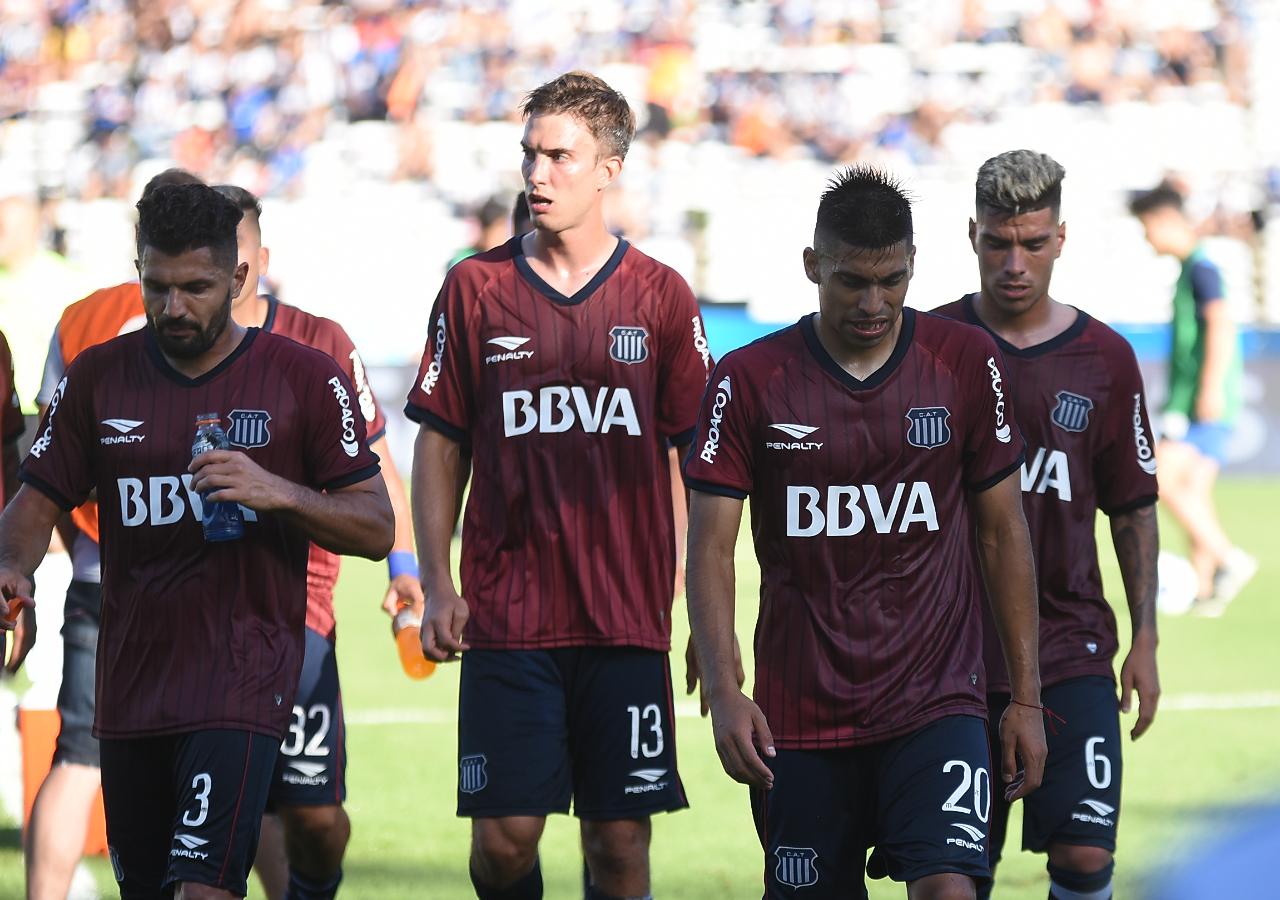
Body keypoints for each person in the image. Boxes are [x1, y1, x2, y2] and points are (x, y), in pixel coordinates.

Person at [0, 183, 394, 900]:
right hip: (133, 685)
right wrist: (11, 573)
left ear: (240, 277)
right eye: (156, 286)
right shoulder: (99, 378)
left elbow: (374, 521)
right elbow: (34, 504)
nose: (173, 308)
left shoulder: (304, 377)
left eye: (196, 288)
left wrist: (278, 491)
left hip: (242, 678)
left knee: (204, 891)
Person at [683, 165, 1048, 900]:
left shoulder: (966, 363)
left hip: (937, 702)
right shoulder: (749, 380)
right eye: (853, 281)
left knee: (950, 891)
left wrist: (1027, 699)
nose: (875, 303)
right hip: (800, 714)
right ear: (814, 266)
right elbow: (710, 549)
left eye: (894, 280)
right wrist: (724, 689)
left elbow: (1003, 535)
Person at [406, 71, 713, 900]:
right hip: (508, 617)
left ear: (608, 168)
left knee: (619, 848)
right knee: (504, 845)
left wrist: (696, 602)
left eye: (560, 157)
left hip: (625, 619)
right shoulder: (475, 288)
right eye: (530, 155)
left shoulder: (662, 296)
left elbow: (700, 460)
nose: (537, 175)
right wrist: (437, 581)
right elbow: (439, 445)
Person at [933, 149, 1160, 900]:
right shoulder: (927, 347)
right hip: (953, 657)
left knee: (1086, 857)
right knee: (956, 874)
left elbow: (1131, 510)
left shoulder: (1107, 360)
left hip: (1072, 648)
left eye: (1032, 243)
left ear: (1060, 238)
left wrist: (1147, 639)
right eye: (999, 242)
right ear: (973, 235)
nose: (1015, 262)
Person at [212, 183, 424, 900]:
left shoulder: (320, 342)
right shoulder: (156, 351)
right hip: (191, 618)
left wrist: (404, 563)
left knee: (314, 817)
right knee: (211, 826)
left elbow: (374, 461)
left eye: (235, 253)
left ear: (261, 258)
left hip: (298, 616)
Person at [23, 166, 203, 900]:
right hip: (204, 578)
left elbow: (44, 448)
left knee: (80, 756)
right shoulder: (220, 313)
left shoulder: (81, 318)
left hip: (104, 570)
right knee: (216, 763)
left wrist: (74, 527)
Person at [1129, 183, 1254, 613]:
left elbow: (1221, 324)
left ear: (1165, 221)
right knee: (1195, 490)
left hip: (1203, 399)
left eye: (1147, 228)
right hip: (1200, 398)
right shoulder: (1191, 270)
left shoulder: (1202, 270)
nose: (1147, 239)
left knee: (1157, 480)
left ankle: (1227, 557)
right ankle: (1206, 590)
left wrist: (1209, 387)